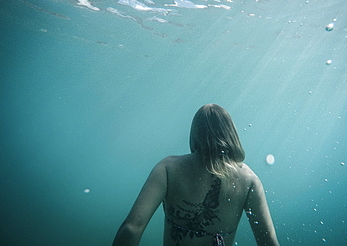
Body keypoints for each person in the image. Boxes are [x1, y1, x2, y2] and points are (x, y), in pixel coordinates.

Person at [113, 104, 279, 246]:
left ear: (195, 132)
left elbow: (132, 227)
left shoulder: (168, 169)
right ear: (231, 133)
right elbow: (268, 242)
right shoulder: (249, 180)